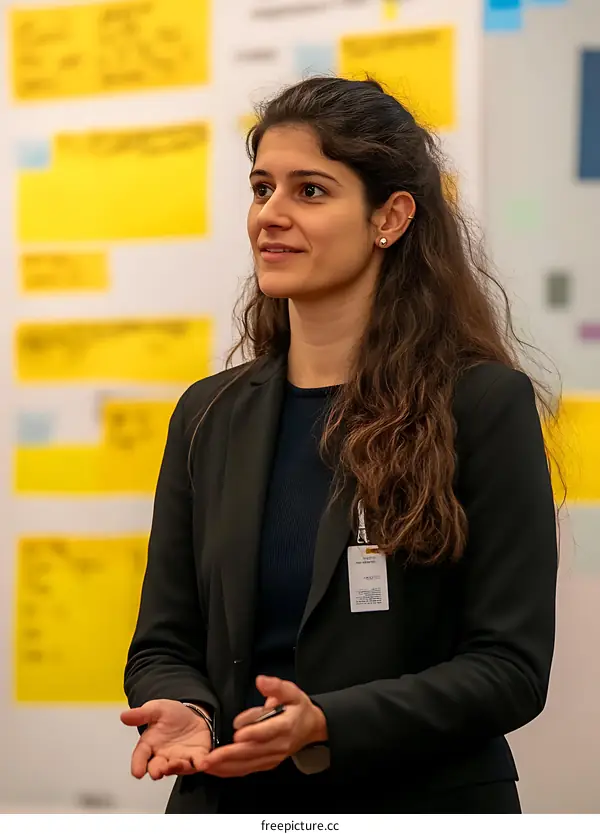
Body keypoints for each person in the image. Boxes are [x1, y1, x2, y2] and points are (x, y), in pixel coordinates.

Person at [120, 76, 559, 814]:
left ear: (389, 217)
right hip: (229, 803)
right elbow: (163, 644)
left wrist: (325, 722)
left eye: (310, 191)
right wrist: (185, 708)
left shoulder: (480, 404)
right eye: (263, 188)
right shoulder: (207, 414)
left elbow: (509, 667)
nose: (271, 216)